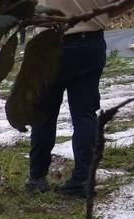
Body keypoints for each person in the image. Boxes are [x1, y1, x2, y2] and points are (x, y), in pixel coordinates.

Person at [26, 0, 111, 198]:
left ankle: (37, 177)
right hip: (91, 42)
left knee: (43, 115)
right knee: (84, 114)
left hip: (50, 44)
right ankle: (83, 179)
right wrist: (101, 15)